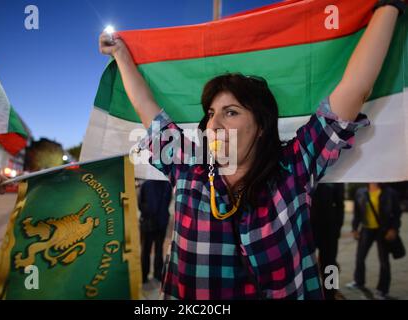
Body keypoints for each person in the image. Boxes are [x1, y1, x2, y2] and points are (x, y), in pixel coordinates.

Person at [99, 2, 405, 299]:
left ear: (260, 125)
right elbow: (145, 106)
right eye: (210, 113)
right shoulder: (187, 163)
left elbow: (355, 87)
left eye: (230, 112)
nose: (212, 124)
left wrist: (388, 6)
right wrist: (122, 54)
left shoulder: (294, 168)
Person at [347, 183, 402, 300]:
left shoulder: (390, 193)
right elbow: (357, 213)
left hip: (383, 229)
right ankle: (359, 281)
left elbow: (397, 213)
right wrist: (354, 228)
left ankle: (382, 290)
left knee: (384, 261)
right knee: (360, 257)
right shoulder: (361, 192)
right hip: (366, 229)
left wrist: (393, 229)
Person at [310, 183, 345, 300]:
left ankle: (331, 294)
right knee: (306, 264)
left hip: (329, 230)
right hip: (308, 229)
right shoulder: (306, 170)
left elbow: (340, 204)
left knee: (330, 265)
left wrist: (337, 228)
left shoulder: (336, 176)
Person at [138, 180, 172, 283]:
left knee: (147, 249)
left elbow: (140, 204)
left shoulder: (146, 184)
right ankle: (156, 274)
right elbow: (167, 202)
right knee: (156, 249)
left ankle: (146, 275)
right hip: (158, 221)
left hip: (152, 222)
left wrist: (148, 211)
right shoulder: (166, 184)